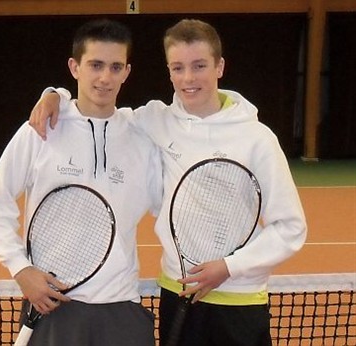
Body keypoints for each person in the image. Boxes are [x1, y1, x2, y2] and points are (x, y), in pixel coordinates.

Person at [28, 19, 307, 346]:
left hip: (239, 300)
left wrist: (230, 267)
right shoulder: (154, 119)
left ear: (220, 66)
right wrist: (56, 95)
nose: (188, 78)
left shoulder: (258, 138)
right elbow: (97, 111)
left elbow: (291, 227)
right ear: (169, 71)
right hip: (177, 295)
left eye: (199, 66)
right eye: (178, 68)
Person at [0, 19, 163, 346]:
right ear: (74, 67)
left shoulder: (142, 138)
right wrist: (21, 269)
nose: (105, 77)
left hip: (121, 305)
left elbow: (166, 207)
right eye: (95, 65)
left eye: (115, 66)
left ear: (127, 72)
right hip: (53, 303)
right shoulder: (41, 129)